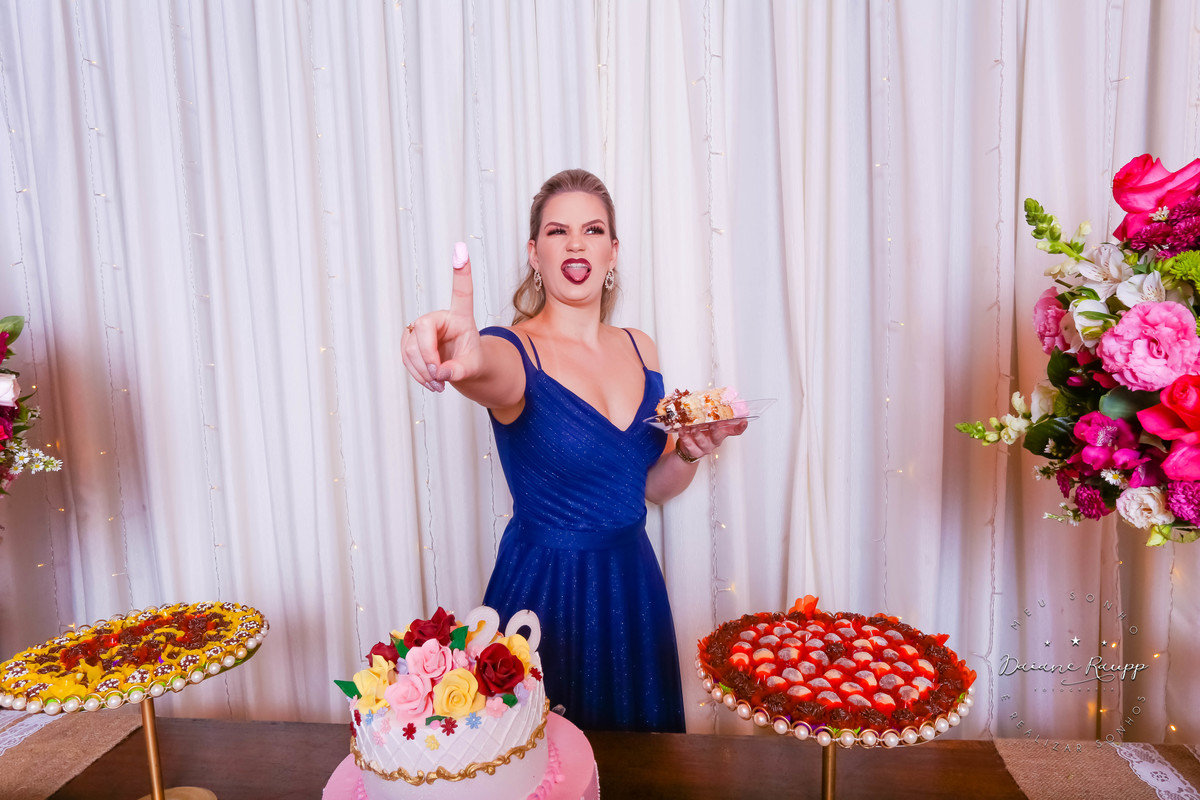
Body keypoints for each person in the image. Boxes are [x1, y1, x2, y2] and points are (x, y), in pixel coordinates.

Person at [400, 169, 745, 732]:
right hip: (544, 595)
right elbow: (487, 368)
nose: (576, 243)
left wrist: (688, 452)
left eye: (593, 229)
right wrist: (460, 352)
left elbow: (647, 488)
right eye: (558, 231)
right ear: (534, 254)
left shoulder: (641, 347)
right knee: (541, 760)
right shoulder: (514, 348)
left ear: (613, 252)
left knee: (640, 762)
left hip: (633, 587)